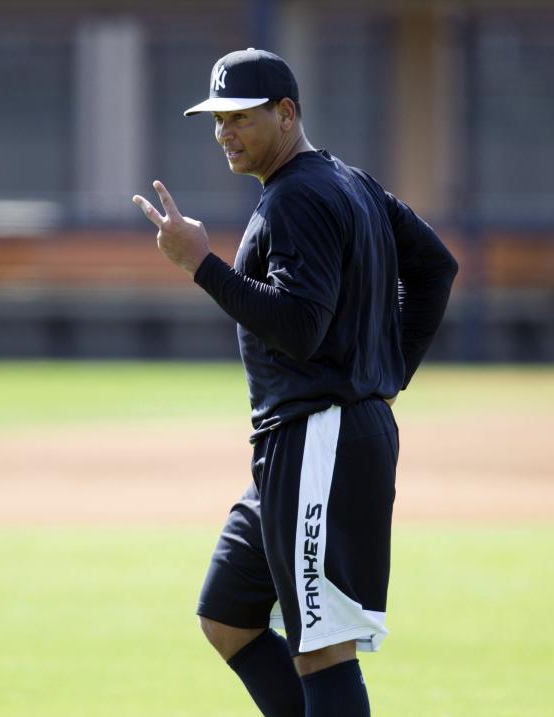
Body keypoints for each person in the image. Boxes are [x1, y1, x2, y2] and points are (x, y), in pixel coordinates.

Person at [132, 49, 457, 716]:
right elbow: (437, 267)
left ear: (286, 114)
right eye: (217, 119)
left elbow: (300, 325)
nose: (225, 131)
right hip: (300, 444)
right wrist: (387, 369)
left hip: (321, 439)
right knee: (228, 615)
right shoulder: (348, 181)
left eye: (240, 118)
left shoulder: (298, 197)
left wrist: (201, 264)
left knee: (321, 646)